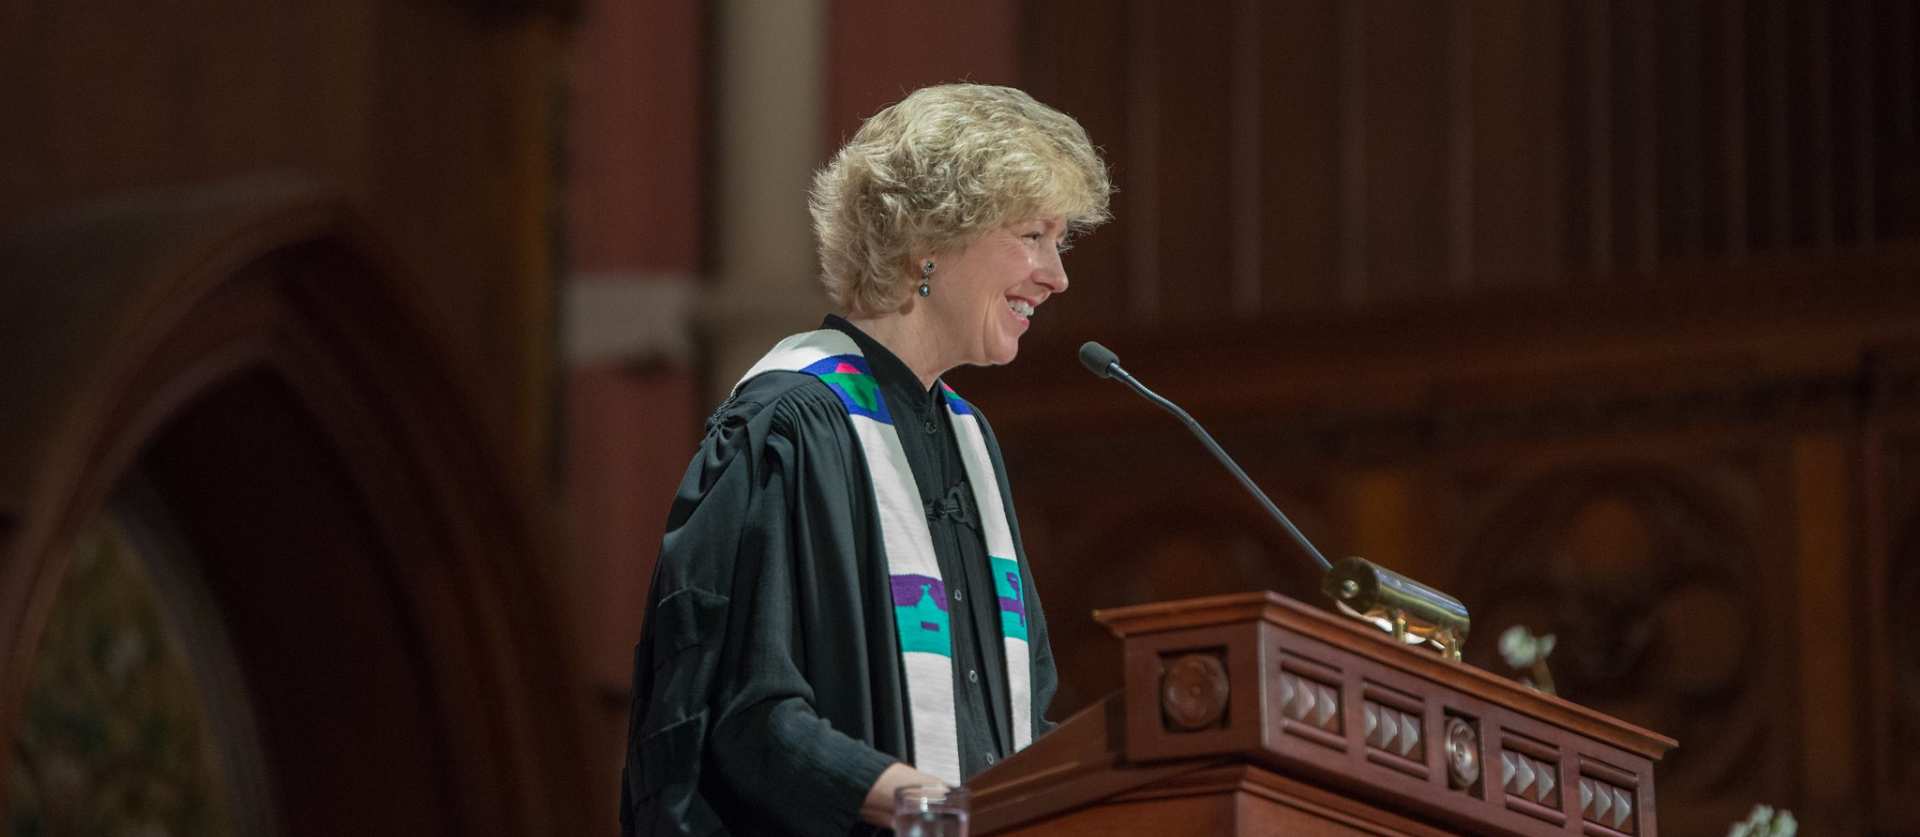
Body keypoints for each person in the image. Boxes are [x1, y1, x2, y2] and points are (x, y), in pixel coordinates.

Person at [619, 83, 1112, 836]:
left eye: (1058, 240)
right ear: (930, 240)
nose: (1057, 274)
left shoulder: (969, 444)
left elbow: (1018, 724)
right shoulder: (790, 425)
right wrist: (934, 805)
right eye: (1032, 235)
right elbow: (747, 715)